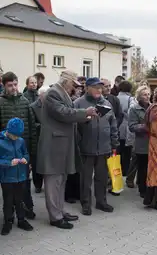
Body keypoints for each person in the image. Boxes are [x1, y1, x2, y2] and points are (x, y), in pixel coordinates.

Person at [36, 70, 97, 229]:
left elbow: (68, 115)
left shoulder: (60, 92)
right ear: (66, 81)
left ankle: (60, 211)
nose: (75, 88)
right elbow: (63, 113)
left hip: (61, 145)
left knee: (61, 180)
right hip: (54, 145)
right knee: (53, 182)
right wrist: (85, 113)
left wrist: (86, 117)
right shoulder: (53, 93)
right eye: (73, 84)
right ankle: (55, 217)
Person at [74, 77, 119, 215]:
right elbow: (73, 125)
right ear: (87, 88)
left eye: (101, 87)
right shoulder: (78, 103)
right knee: (86, 179)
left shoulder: (106, 103)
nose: (99, 90)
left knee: (102, 177)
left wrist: (114, 143)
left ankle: (101, 201)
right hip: (86, 147)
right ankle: (86, 203)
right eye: (96, 87)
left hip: (104, 147)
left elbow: (113, 124)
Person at [0, 72, 36, 219]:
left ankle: (26, 208)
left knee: (24, 180)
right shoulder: (0, 102)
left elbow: (32, 125)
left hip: (23, 147)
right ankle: (10, 212)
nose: (14, 88)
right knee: (9, 184)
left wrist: (32, 152)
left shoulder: (24, 101)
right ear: (4, 85)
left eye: (15, 84)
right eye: (10, 85)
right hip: (6, 149)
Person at [0, 118, 33, 235]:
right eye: (14, 135)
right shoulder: (1, 142)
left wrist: (26, 159)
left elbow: (26, 153)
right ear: (8, 131)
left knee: (19, 199)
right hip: (7, 177)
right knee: (8, 200)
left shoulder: (21, 141)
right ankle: (8, 221)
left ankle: (21, 219)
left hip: (21, 176)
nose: (15, 138)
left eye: (18, 136)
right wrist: (8, 162)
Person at [128, 86, 151, 198]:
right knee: (142, 167)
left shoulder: (152, 107)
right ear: (139, 97)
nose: (147, 96)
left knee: (150, 167)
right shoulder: (134, 109)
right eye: (144, 94)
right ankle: (142, 189)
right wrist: (145, 127)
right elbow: (132, 126)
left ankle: (149, 186)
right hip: (141, 142)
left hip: (153, 142)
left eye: (148, 94)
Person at [29, 85, 50, 193]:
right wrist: (43, 126)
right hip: (38, 137)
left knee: (48, 162)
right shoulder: (32, 106)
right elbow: (32, 123)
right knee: (37, 162)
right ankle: (38, 184)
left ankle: (48, 184)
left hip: (49, 138)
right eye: (45, 96)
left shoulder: (51, 105)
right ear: (40, 96)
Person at [117, 80, 135, 176]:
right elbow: (131, 113)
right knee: (127, 151)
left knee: (118, 150)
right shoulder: (130, 99)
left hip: (117, 127)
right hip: (127, 128)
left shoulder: (115, 98)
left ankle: (117, 170)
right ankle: (125, 170)